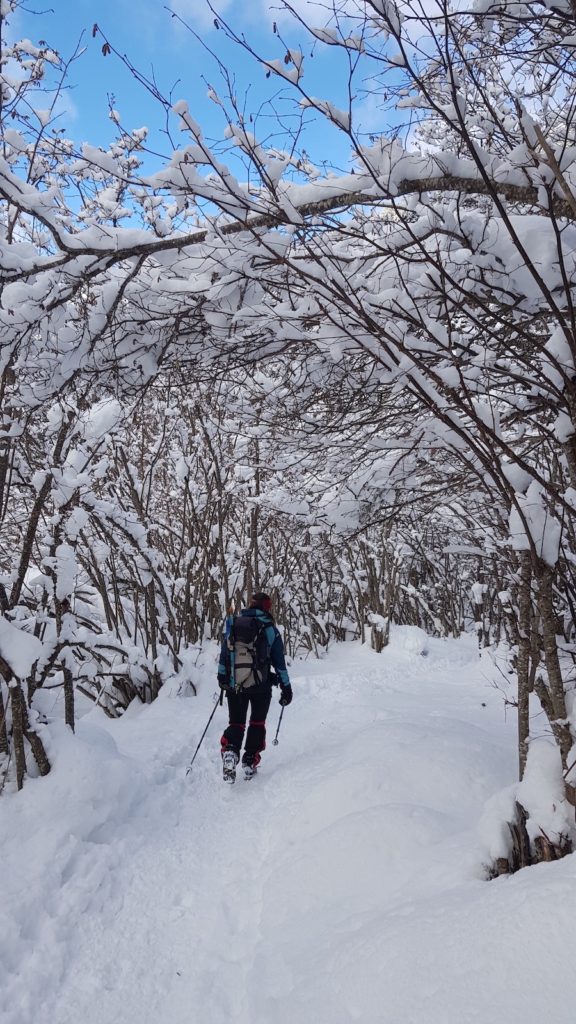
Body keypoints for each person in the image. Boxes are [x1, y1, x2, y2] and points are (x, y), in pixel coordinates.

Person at [218, 592, 292, 783]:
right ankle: (250, 761)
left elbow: (225, 653)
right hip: (261, 686)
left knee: (236, 723)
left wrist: (222, 677)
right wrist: (286, 687)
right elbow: (279, 663)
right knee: (257, 723)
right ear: (267, 607)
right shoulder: (270, 629)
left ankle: (230, 753)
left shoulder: (233, 624)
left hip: (235, 685)